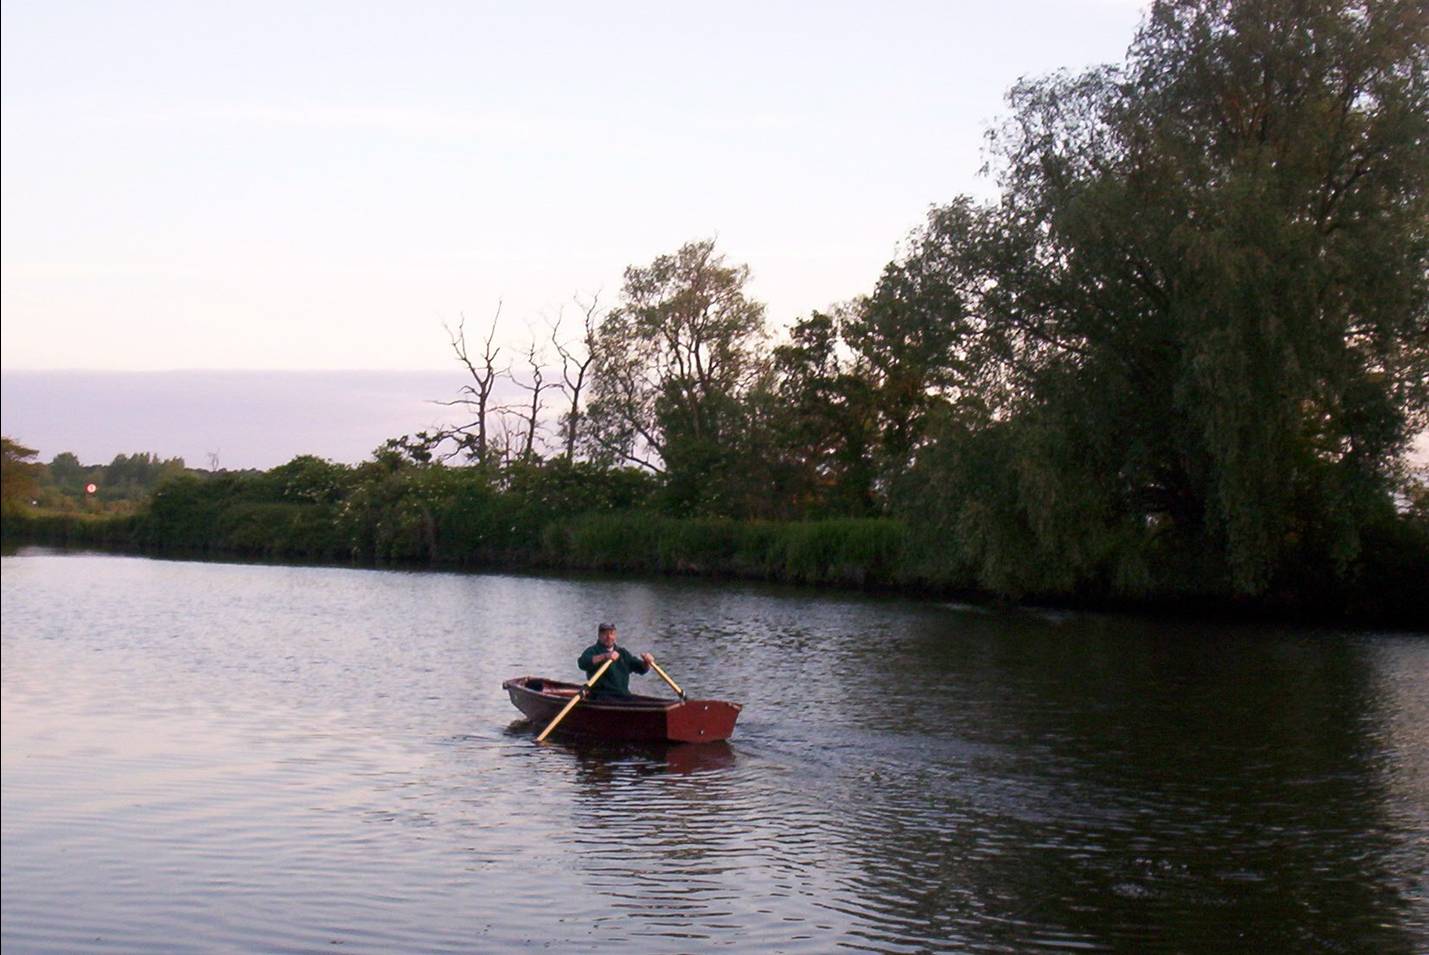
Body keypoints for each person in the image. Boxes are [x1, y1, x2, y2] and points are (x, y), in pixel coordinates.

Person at [577, 623, 655, 700]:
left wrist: (647, 662)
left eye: (612, 634)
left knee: (637, 701)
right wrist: (605, 656)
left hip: (623, 695)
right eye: (605, 634)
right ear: (599, 635)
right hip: (601, 696)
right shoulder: (592, 651)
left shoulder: (622, 653)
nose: (609, 637)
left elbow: (642, 669)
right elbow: (582, 663)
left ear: (615, 636)